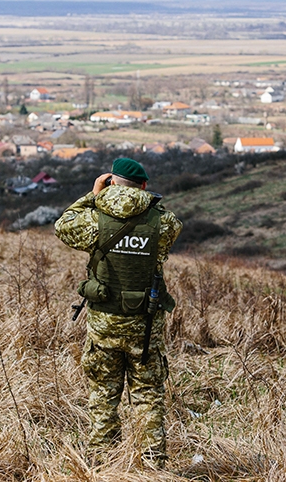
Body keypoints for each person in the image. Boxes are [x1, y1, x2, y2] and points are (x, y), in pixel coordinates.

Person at [55, 158, 182, 467]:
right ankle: (153, 465)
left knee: (103, 396)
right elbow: (170, 232)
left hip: (104, 325)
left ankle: (102, 462)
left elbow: (63, 225)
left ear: (111, 182)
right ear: (144, 186)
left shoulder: (93, 218)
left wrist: (94, 195)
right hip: (145, 325)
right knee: (148, 396)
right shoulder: (164, 222)